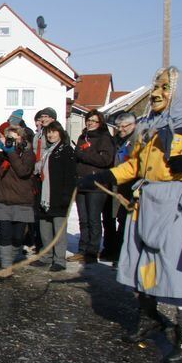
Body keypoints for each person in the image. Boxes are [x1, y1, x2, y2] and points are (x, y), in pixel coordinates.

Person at [84, 67, 182, 363]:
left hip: (179, 203)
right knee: (142, 263)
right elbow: (133, 167)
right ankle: (148, 318)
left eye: (165, 87)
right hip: (146, 201)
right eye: (155, 86)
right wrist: (106, 175)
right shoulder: (148, 126)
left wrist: (178, 143)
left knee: (180, 270)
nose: (157, 92)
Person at [0, 125, 36, 273]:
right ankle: (6, 265)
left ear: (21, 138)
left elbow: (23, 171)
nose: (12, 141)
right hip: (3, 197)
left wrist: (12, 153)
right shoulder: (2, 153)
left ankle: (12, 256)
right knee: (5, 233)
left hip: (21, 199)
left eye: (15, 137)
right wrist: (0, 150)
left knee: (17, 236)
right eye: (9, 137)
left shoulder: (28, 154)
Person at [71, 110, 115, 264]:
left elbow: (105, 160)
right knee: (83, 220)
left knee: (93, 219)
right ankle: (82, 249)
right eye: (88, 120)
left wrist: (83, 154)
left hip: (97, 184)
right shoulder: (83, 137)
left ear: (100, 123)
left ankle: (92, 251)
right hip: (81, 183)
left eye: (94, 121)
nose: (90, 123)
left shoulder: (104, 138)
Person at [34, 121, 76, 272]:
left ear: (60, 132)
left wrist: (67, 195)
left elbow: (70, 176)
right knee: (45, 229)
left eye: (53, 132)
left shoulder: (66, 151)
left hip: (58, 196)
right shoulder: (48, 151)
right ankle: (46, 256)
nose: (51, 135)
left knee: (58, 230)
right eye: (48, 133)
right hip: (45, 196)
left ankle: (59, 259)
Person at [107, 112, 138, 262]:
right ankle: (119, 254)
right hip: (120, 188)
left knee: (128, 223)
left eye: (123, 127)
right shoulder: (120, 141)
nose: (120, 129)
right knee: (121, 221)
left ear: (133, 125)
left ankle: (124, 257)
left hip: (131, 188)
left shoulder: (137, 141)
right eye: (118, 127)